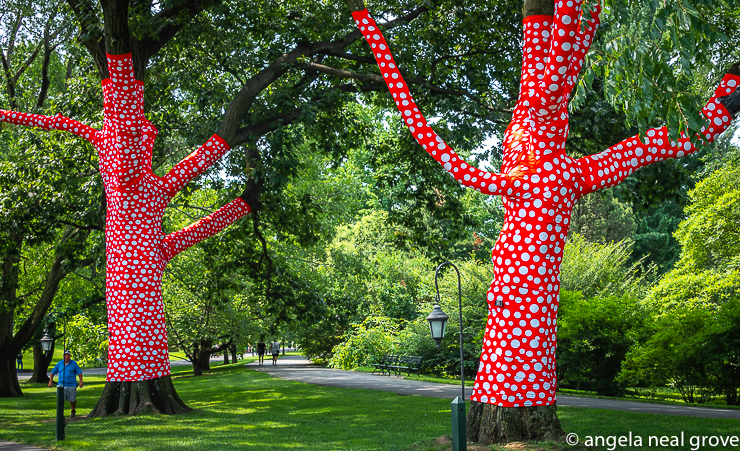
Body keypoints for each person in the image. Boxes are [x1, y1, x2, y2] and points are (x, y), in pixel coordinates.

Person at [48, 350, 83, 418]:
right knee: (60, 400)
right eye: (65, 355)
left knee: (72, 399)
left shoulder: (74, 364)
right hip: (61, 385)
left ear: (70, 356)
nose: (66, 357)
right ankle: (61, 414)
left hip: (71, 385)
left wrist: (81, 381)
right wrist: (50, 381)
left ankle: (73, 411)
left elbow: (79, 372)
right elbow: (53, 372)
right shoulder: (59, 364)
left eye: (68, 355)